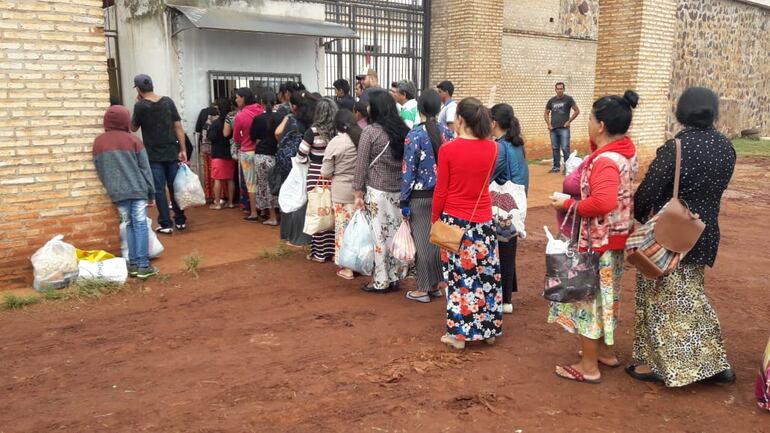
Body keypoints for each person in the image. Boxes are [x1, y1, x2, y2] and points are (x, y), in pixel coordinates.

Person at [627, 87, 737, 387]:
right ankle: (713, 362)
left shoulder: (676, 147)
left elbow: (649, 190)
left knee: (664, 300)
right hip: (704, 232)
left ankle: (662, 366)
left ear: (682, 112)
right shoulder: (727, 147)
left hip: (671, 234)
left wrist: (640, 216)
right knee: (691, 295)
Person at [547, 90, 639, 384]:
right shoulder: (623, 153)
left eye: (589, 118)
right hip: (613, 240)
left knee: (589, 303)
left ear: (600, 126)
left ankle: (588, 367)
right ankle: (606, 353)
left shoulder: (605, 161)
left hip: (598, 242)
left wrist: (568, 204)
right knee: (607, 299)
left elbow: (601, 202)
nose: (586, 122)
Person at [432, 97, 502, 350]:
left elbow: (441, 190)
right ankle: (488, 330)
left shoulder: (448, 149)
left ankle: (459, 334)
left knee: (460, 278)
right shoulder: (494, 148)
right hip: (483, 220)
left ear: (460, 119)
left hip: (454, 220)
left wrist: (435, 219)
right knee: (486, 276)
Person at [353, 89, 409, 293]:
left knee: (378, 237)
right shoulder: (403, 130)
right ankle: (395, 277)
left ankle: (380, 280)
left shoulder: (370, 132)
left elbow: (361, 165)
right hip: (398, 192)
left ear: (375, 108)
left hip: (377, 192)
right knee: (396, 235)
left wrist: (357, 191)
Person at [400, 89, 453, 303]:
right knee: (437, 241)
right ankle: (435, 285)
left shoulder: (414, 135)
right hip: (443, 195)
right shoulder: (448, 134)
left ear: (419, 109)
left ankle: (422, 288)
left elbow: (408, 170)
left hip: (420, 197)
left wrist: (404, 200)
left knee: (422, 243)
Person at [93, 105, 157, 279]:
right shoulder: (133, 140)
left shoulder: (99, 142)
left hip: (117, 192)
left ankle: (134, 264)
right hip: (137, 190)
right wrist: (151, 193)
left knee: (128, 224)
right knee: (140, 224)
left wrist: (111, 187)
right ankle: (144, 265)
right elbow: (145, 169)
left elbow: (100, 168)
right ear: (125, 120)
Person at [130, 73, 188, 234]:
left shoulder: (141, 106)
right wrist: (182, 149)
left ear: (139, 89)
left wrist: (137, 104)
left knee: (159, 189)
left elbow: (133, 128)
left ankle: (165, 223)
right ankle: (181, 220)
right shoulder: (168, 102)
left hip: (153, 155)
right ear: (152, 86)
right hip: (172, 151)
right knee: (175, 186)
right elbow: (178, 127)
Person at [490, 103, 529, 314]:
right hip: (517, 203)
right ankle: (507, 295)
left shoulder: (500, 147)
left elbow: (491, 174)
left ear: (494, 123)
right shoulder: (516, 144)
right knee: (508, 248)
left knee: (502, 250)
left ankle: (504, 299)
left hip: (502, 205)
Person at [321, 109, 361, 280]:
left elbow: (326, 171)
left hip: (341, 192)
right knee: (359, 230)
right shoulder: (361, 138)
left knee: (343, 231)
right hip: (360, 192)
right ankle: (360, 263)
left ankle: (347, 267)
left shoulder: (337, 142)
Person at [297, 97, 338, 262]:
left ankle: (319, 253)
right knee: (333, 213)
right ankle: (334, 251)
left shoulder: (311, 132)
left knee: (318, 211)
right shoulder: (338, 132)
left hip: (315, 175)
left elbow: (300, 156)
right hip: (335, 176)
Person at [278, 91, 318, 247]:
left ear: (294, 106)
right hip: (312, 164)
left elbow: (278, 134)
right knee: (306, 199)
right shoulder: (314, 121)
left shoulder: (292, 119)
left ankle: (294, 237)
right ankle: (306, 236)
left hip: (295, 162)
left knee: (293, 198)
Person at [232, 87, 265, 222]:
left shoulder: (240, 116)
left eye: (237, 97)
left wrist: (243, 141)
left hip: (247, 151)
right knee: (262, 181)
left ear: (243, 98)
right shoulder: (261, 110)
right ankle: (263, 210)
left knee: (251, 183)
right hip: (262, 150)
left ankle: (253, 212)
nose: (236, 99)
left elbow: (236, 137)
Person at [249, 111, 280, 225]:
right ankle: (274, 214)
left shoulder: (258, 118)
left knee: (264, 185)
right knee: (275, 185)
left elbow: (252, 137)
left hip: (262, 154)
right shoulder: (280, 117)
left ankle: (271, 216)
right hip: (276, 154)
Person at [207, 98, 236, 210]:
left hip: (218, 153)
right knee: (230, 179)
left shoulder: (215, 123)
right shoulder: (232, 121)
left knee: (217, 179)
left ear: (218, 109)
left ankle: (218, 203)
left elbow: (210, 137)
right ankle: (231, 202)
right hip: (230, 153)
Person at [545, 82, 580, 173]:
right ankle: (556, 167)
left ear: (563, 89)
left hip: (564, 128)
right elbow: (546, 113)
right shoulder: (551, 100)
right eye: (558, 89)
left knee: (565, 147)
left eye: (561, 89)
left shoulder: (568, 99)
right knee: (555, 147)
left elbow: (577, 111)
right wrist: (549, 124)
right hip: (553, 129)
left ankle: (567, 168)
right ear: (555, 90)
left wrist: (569, 121)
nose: (559, 90)